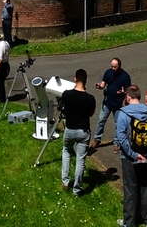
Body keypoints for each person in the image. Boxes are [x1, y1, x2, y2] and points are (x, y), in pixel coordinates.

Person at [115, 85, 147, 227]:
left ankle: (129, 222)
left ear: (128, 98)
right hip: (146, 156)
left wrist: (133, 154)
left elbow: (121, 137)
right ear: (139, 97)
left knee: (130, 190)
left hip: (129, 158)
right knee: (146, 188)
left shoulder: (123, 113)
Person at [61, 68, 96, 197]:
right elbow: (91, 114)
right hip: (83, 131)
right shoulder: (90, 98)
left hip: (69, 129)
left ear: (75, 79)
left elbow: (65, 108)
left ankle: (65, 181)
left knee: (66, 152)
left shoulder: (66, 94)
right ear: (86, 80)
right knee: (80, 160)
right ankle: (77, 189)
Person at [91, 57, 131, 153]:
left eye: (115, 67)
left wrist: (123, 93)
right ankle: (97, 139)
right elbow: (103, 84)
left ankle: (116, 144)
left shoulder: (125, 76)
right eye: (112, 66)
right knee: (101, 120)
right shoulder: (108, 72)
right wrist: (99, 86)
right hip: (107, 102)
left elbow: (128, 91)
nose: (113, 68)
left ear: (119, 66)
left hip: (118, 104)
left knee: (118, 125)